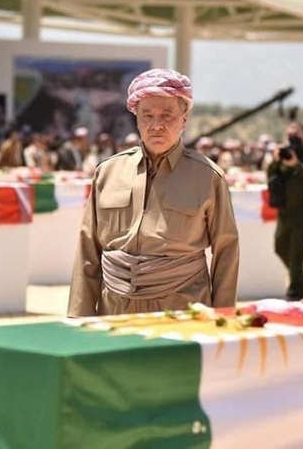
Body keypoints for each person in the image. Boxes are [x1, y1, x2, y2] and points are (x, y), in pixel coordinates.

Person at [68, 68, 239, 316]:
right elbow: (88, 247)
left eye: (167, 115)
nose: (156, 125)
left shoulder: (208, 177)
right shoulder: (107, 172)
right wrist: (79, 315)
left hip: (182, 309)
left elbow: (226, 249)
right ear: (136, 119)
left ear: (184, 119)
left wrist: (222, 317)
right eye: (147, 115)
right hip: (115, 309)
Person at [266, 121, 303, 301]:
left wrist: (297, 164)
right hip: (285, 210)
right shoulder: (284, 153)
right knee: (280, 247)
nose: (293, 138)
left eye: (296, 134)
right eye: (290, 134)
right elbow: (271, 176)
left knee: (296, 253)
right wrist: (275, 161)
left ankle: (294, 291)